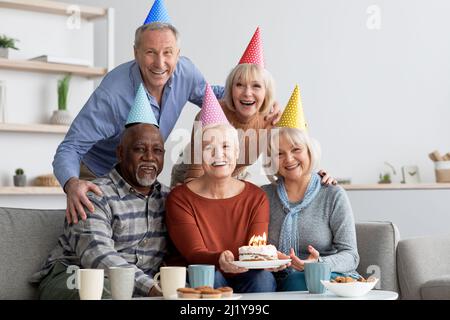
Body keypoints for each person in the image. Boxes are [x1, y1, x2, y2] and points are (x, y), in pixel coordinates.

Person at [54, 21, 281, 224]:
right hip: (99, 171)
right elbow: (70, 147)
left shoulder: (185, 73)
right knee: (95, 231)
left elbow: (213, 97)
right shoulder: (111, 97)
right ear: (136, 53)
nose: (160, 63)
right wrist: (72, 183)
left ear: (178, 54)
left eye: (168, 52)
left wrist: (258, 102)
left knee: (154, 229)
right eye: (150, 52)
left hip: (142, 171)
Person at [31, 90, 170, 299]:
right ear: (121, 153)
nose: (149, 157)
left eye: (157, 151)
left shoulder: (168, 199)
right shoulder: (94, 195)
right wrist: (151, 288)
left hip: (135, 288)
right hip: (74, 276)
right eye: (140, 149)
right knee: (104, 293)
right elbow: (97, 254)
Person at [165, 85, 286, 293]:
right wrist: (219, 258)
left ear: (237, 152)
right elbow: (194, 253)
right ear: (197, 154)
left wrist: (269, 259)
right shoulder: (180, 198)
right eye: (208, 148)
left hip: (246, 275)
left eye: (226, 147)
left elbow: (254, 252)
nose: (218, 154)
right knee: (211, 274)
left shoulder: (255, 197)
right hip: (204, 273)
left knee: (263, 279)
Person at [261, 86, 360, 291]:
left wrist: (318, 264)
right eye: (279, 154)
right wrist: (270, 257)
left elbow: (351, 255)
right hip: (275, 279)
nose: (288, 159)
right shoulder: (264, 196)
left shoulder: (332, 194)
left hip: (323, 278)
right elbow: (253, 246)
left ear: (309, 151)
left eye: (296, 149)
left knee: (300, 281)